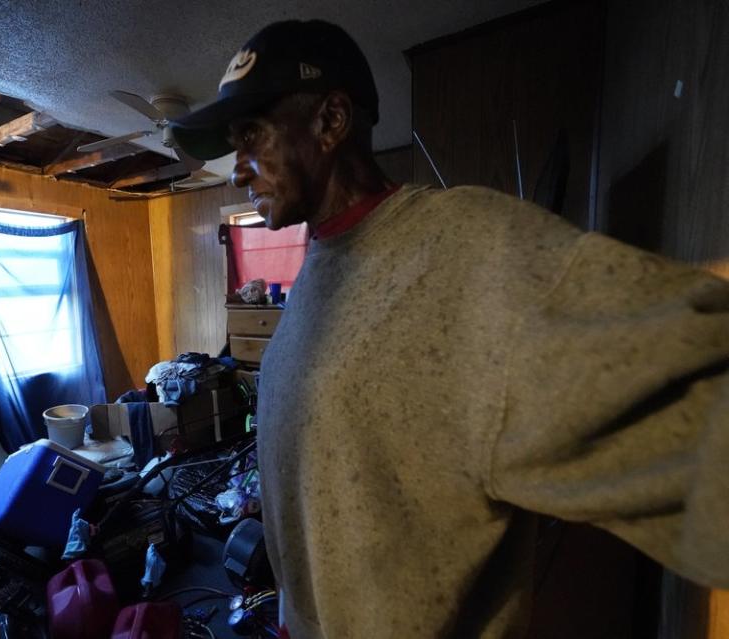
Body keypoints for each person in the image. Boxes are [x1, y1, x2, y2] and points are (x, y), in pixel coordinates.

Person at [170, 20, 729, 639]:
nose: (237, 170)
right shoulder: (323, 264)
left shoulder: (475, 251)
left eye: (251, 135)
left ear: (331, 121)